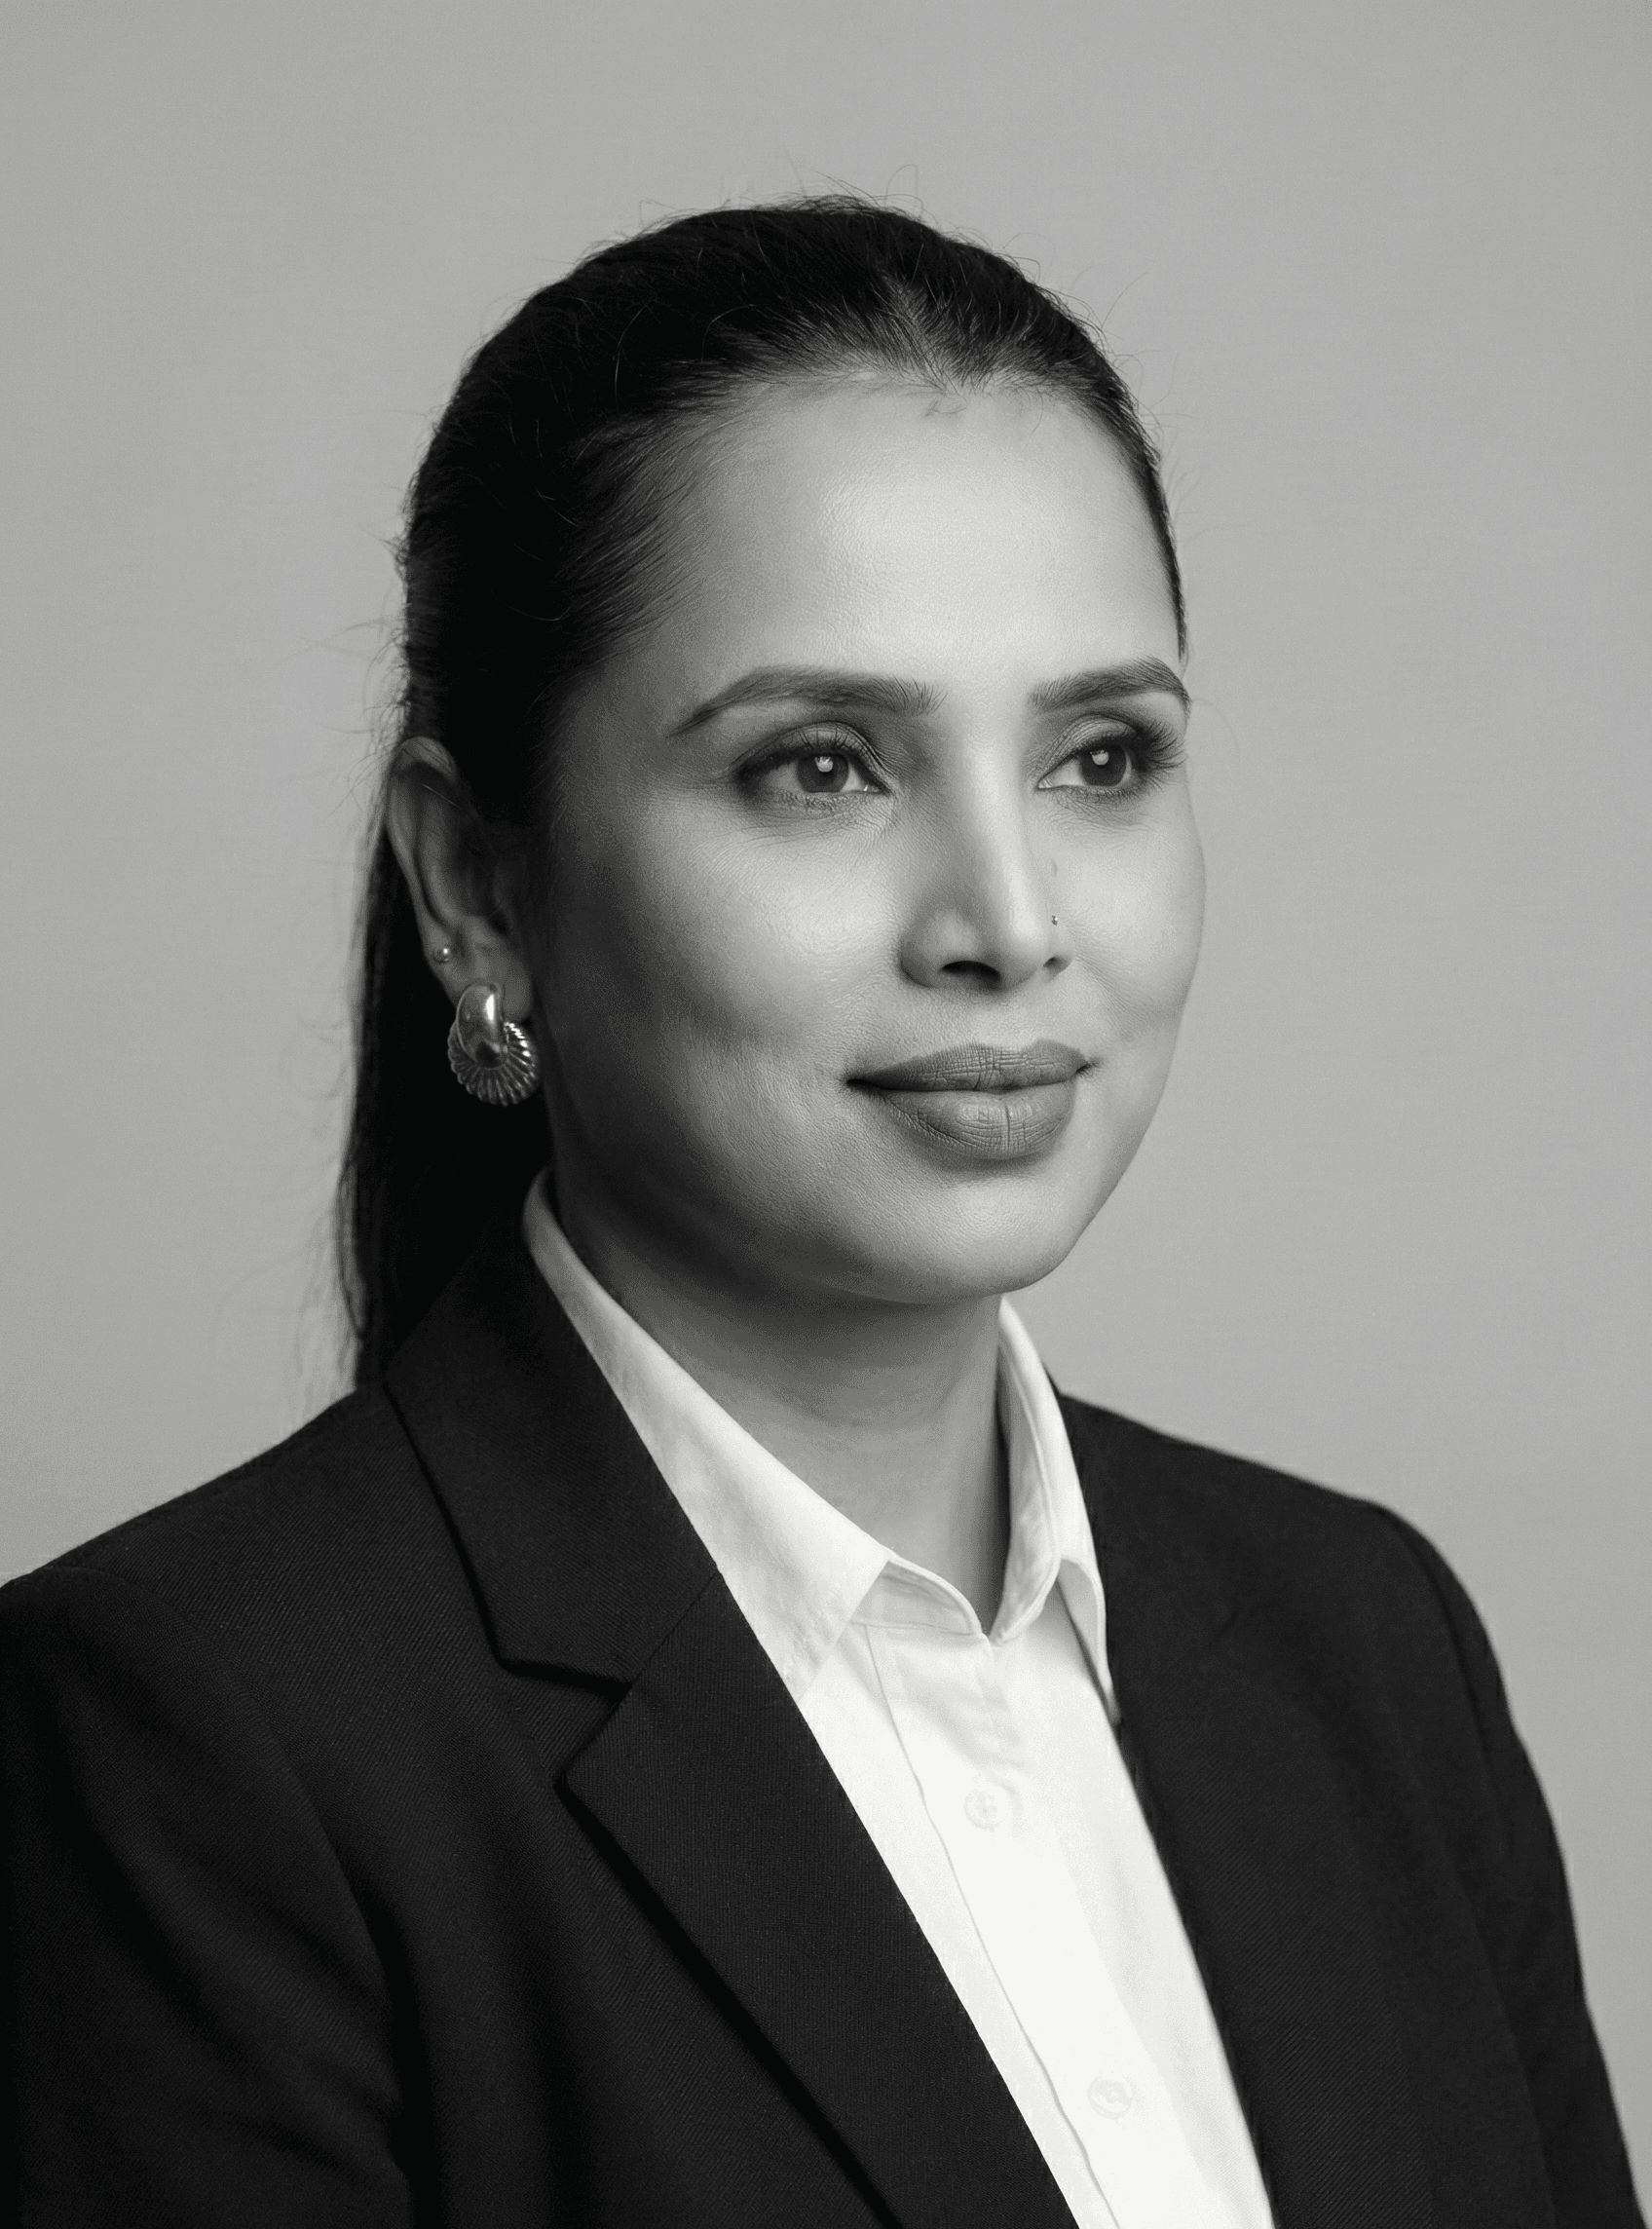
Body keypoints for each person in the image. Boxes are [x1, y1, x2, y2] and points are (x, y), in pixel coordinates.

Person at [0, 199, 1640, 2229]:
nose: (1008, 922)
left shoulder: (1360, 1644)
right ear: (476, 885)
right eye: (822, 767)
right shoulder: (184, 1742)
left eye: (1099, 756)